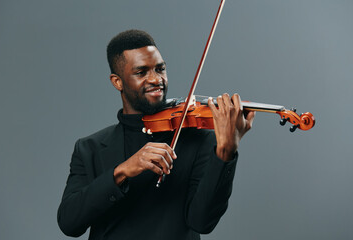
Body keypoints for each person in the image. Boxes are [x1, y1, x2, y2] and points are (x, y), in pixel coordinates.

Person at [57, 29, 255, 240]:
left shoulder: (199, 140)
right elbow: (69, 222)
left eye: (160, 69)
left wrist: (225, 151)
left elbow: (202, 221)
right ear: (117, 82)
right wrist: (122, 171)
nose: (155, 79)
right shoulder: (90, 148)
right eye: (141, 72)